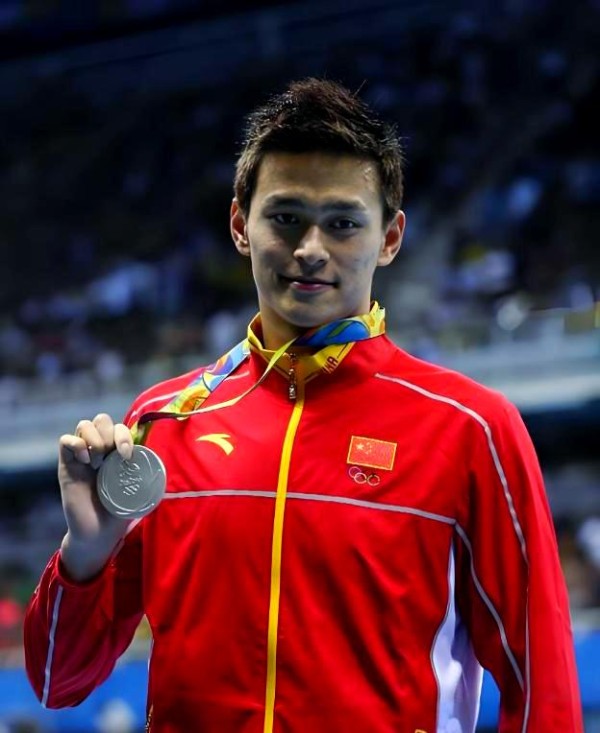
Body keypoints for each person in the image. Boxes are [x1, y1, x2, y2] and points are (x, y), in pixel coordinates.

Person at [24, 78, 583, 733]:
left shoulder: (469, 428)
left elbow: (543, 688)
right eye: (286, 217)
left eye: (343, 223)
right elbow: (57, 682)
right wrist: (87, 551)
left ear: (390, 237)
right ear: (241, 225)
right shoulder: (164, 422)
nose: (311, 249)